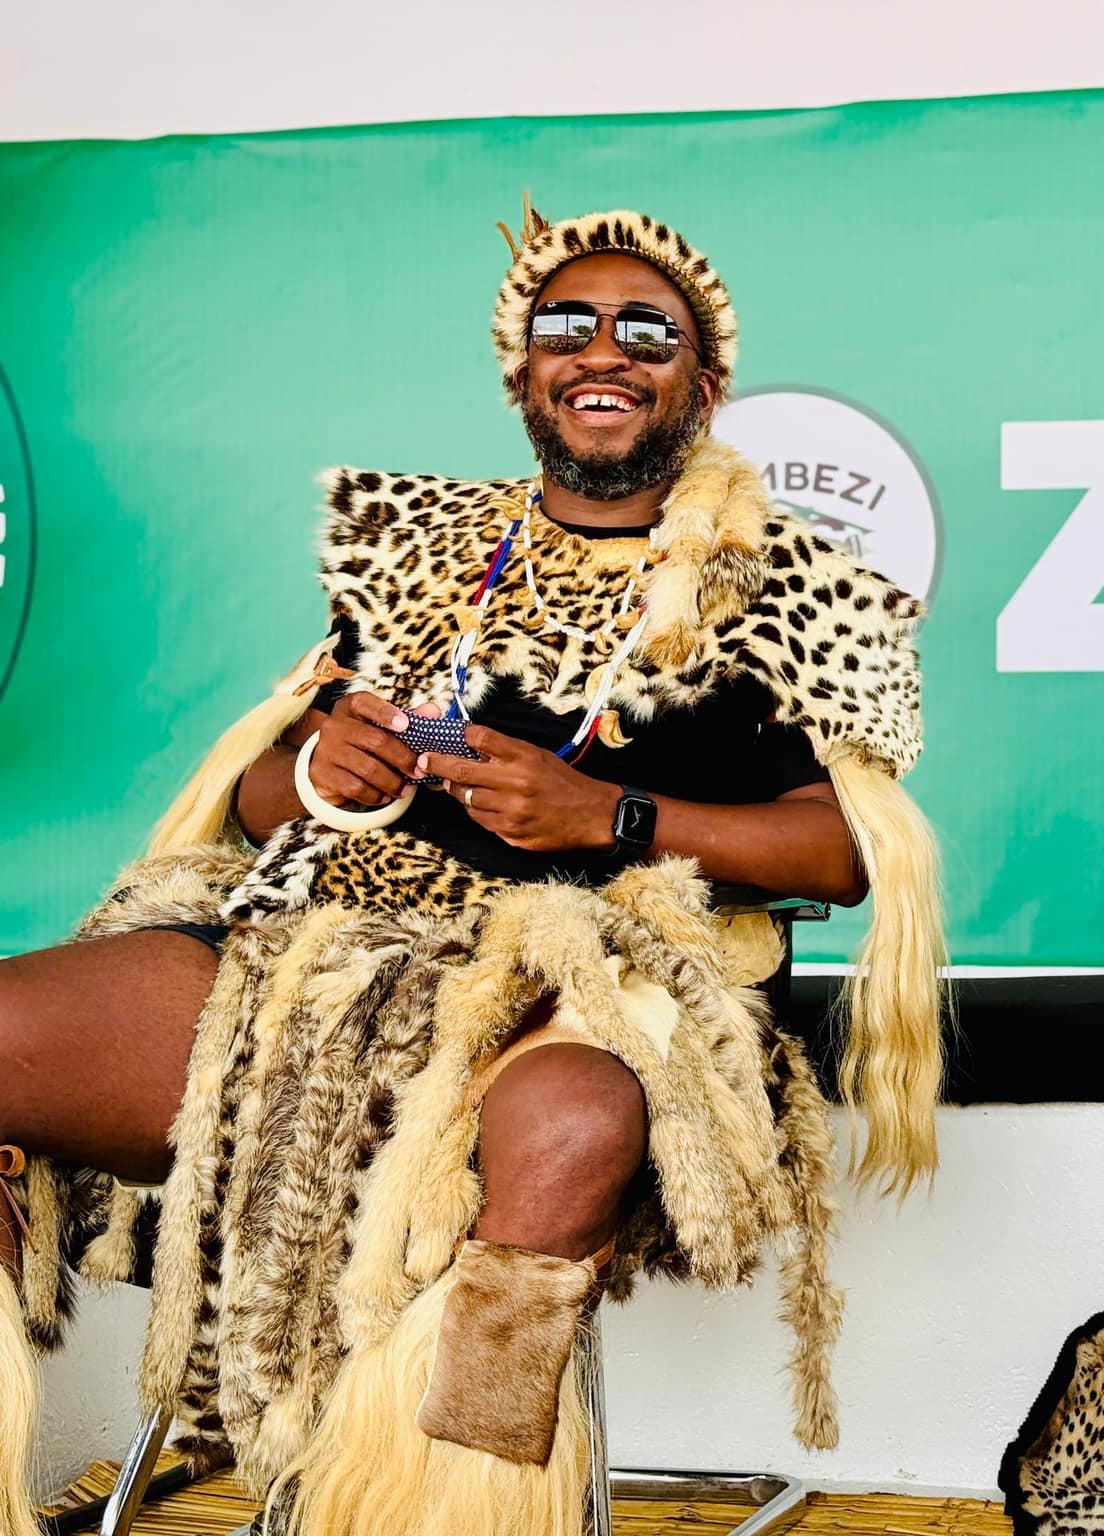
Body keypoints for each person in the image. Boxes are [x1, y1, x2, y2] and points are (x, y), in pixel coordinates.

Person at [0, 202, 946, 1536]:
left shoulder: (795, 584)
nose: (602, 351)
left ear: (702, 383)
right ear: (523, 373)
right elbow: (262, 801)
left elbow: (841, 854)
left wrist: (608, 816)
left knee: (565, 1125)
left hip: (609, 984)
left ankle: (440, 1504)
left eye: (647, 332)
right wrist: (324, 771)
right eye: (568, 326)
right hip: (329, 955)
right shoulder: (418, 552)